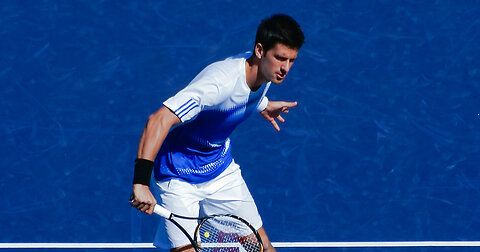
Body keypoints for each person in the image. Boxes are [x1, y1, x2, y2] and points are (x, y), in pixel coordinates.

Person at [130, 14, 304, 251]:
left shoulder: (266, 73)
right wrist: (141, 183)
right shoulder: (220, 82)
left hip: (219, 170)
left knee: (262, 247)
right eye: (280, 58)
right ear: (260, 50)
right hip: (178, 174)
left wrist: (262, 105)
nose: (285, 68)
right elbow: (158, 119)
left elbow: (242, 95)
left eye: (291, 60)